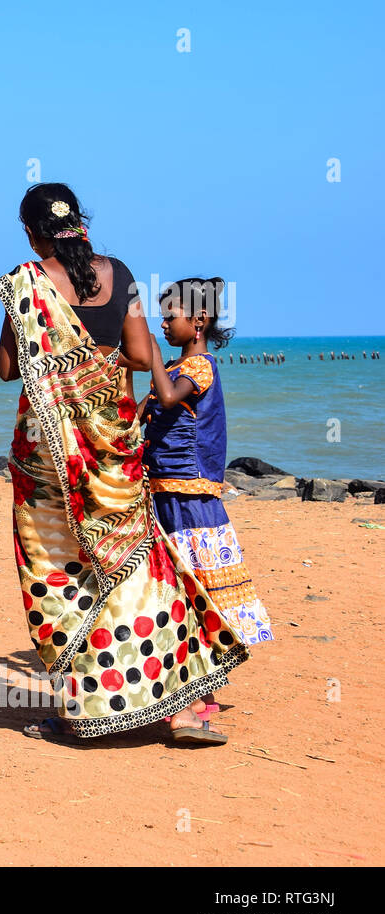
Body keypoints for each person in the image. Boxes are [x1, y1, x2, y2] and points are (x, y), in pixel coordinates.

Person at [0, 183, 249, 745]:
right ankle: (179, 708)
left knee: (61, 576)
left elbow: (8, 369)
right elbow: (138, 355)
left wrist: (33, 329)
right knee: (136, 562)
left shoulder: (24, 284)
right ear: (80, 223)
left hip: (46, 453)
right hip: (114, 445)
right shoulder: (122, 275)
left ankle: (84, 708)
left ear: (31, 232)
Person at [140, 278, 274, 718]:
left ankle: (200, 694)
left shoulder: (198, 369)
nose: (162, 324)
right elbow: (147, 407)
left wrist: (151, 354)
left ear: (198, 321)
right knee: (184, 591)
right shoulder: (179, 370)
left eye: (169, 316)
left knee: (195, 590)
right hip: (167, 492)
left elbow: (164, 395)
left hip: (190, 496)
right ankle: (198, 689)